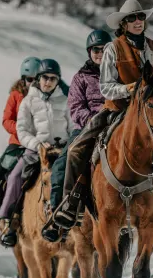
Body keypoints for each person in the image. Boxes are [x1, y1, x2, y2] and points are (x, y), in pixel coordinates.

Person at [49, 0, 153, 239]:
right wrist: (128, 89)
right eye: (132, 19)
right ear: (123, 24)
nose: (138, 22)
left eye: (140, 18)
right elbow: (106, 87)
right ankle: (70, 203)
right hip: (116, 110)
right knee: (76, 149)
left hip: (148, 112)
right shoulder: (113, 48)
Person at [40, 29, 111, 243]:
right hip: (89, 126)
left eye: (104, 49)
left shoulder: (120, 73)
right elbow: (76, 108)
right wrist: (95, 119)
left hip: (118, 122)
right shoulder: (81, 77)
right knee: (66, 158)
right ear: (89, 52)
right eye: (95, 50)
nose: (99, 53)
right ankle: (61, 211)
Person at [0, 58, 74, 247]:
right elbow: (22, 130)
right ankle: (8, 222)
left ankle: (74, 223)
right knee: (15, 176)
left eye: (53, 79)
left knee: (76, 177)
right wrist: (37, 144)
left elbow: (72, 127)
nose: (48, 82)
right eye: (45, 78)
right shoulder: (28, 101)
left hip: (61, 150)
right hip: (36, 149)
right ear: (38, 78)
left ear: (58, 81)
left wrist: (68, 145)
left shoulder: (65, 100)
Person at [0, 56, 42, 233]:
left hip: (37, 145)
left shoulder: (45, 96)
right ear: (23, 79)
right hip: (17, 144)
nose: (33, 83)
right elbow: (6, 120)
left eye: (37, 79)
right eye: (30, 79)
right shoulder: (16, 96)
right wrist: (22, 131)